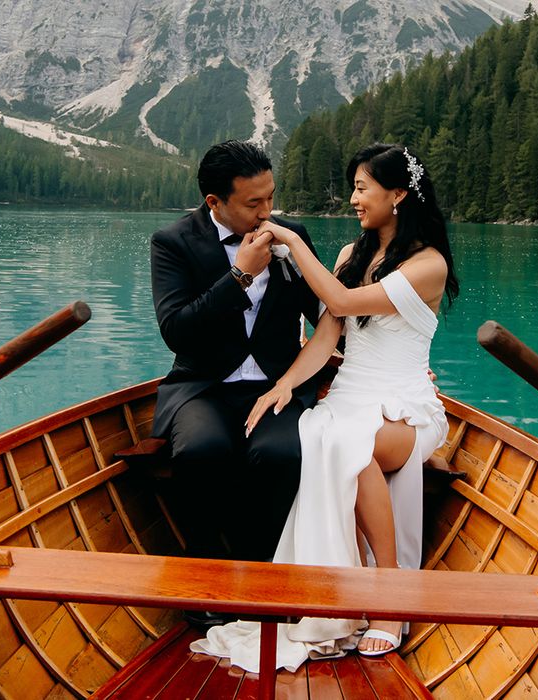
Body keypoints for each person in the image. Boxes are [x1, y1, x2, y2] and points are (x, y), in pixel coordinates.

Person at [191, 143, 459, 668]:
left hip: (406, 406)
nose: (354, 199)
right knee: (326, 435)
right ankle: (332, 585)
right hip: (349, 398)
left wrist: (290, 239)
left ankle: (387, 596)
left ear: (398, 194)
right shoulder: (350, 257)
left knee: (349, 446)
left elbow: (339, 302)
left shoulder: (429, 265)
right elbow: (325, 336)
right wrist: (285, 385)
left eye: (362, 188)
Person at [150, 140, 320, 572]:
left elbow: (326, 314)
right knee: (203, 449)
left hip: (276, 386)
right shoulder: (173, 242)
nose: (267, 213)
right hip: (201, 386)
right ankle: (202, 569)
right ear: (215, 202)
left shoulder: (293, 236)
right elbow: (176, 332)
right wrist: (239, 275)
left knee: (283, 453)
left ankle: (260, 564)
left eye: (271, 197)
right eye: (253, 203)